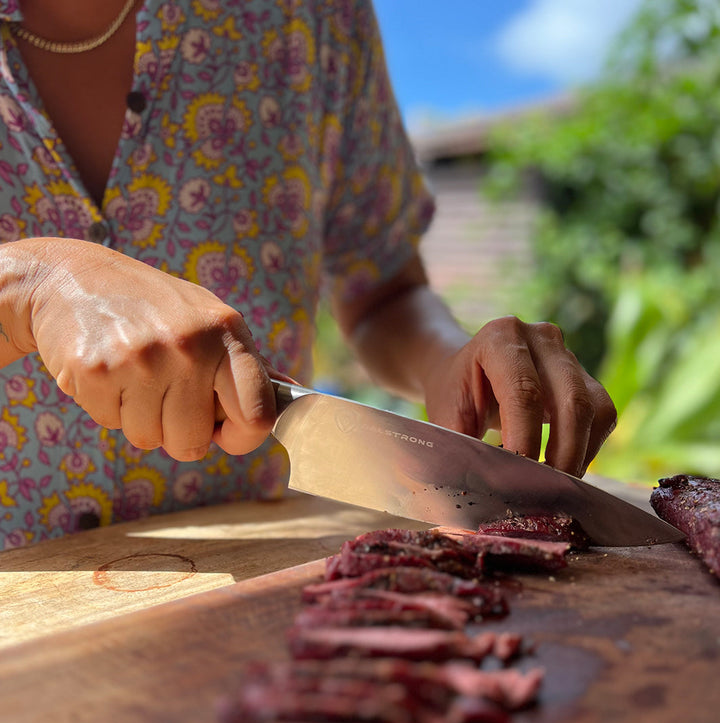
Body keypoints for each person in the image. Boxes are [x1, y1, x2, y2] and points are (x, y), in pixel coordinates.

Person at [0, 0, 616, 551]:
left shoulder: (316, 15)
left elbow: (382, 290)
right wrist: (32, 286)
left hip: (241, 570)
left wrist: (448, 359)